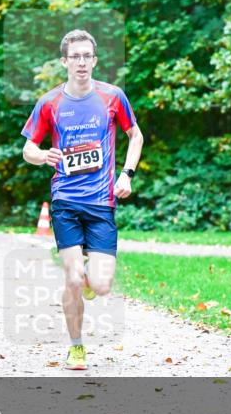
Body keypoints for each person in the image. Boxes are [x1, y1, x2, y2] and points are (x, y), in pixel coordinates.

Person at [21, 29, 144, 370]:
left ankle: (91, 279)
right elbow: (28, 148)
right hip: (65, 200)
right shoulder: (50, 103)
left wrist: (126, 174)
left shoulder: (112, 96)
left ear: (95, 60)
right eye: (75, 56)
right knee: (73, 278)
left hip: (102, 202)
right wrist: (41, 155)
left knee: (101, 286)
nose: (81, 62)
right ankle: (76, 347)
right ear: (64, 61)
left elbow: (135, 136)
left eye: (87, 56)